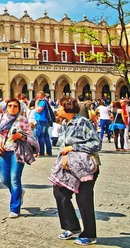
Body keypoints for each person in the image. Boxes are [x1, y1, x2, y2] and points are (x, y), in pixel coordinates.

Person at [51, 98, 102, 246]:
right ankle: (71, 226)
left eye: (59, 107)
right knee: (60, 192)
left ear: (66, 108)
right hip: (69, 167)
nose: (58, 110)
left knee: (84, 200)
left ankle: (89, 235)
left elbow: (96, 143)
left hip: (86, 167)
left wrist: (74, 148)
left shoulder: (82, 122)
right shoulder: (65, 123)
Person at [0, 97, 32, 219]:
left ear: (19, 108)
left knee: (15, 179)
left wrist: (20, 136)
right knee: (4, 179)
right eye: (10, 105)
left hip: (17, 152)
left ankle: (14, 208)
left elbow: (29, 136)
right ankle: (19, 193)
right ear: (6, 107)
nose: (12, 108)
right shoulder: (1, 117)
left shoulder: (22, 119)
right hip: (4, 151)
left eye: (15, 106)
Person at [35, 91, 53, 157]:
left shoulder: (42, 102)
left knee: (41, 137)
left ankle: (42, 152)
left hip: (41, 121)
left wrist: (36, 104)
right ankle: (49, 152)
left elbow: (38, 110)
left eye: (39, 95)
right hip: (43, 121)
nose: (37, 96)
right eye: (37, 95)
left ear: (42, 95)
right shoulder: (44, 102)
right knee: (46, 136)